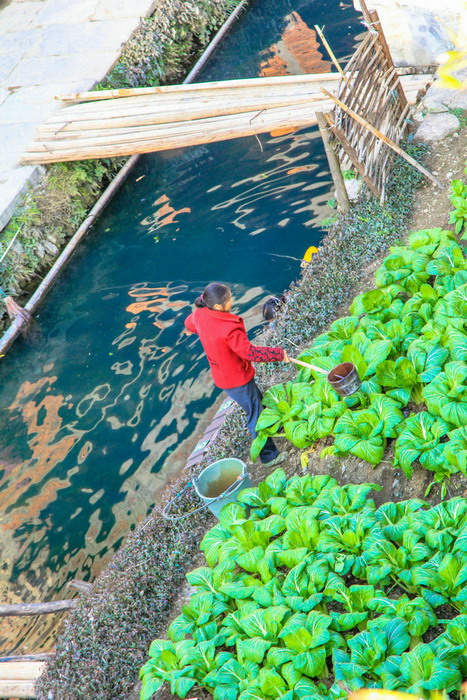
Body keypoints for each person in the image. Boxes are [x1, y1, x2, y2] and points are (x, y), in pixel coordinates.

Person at [184, 282, 290, 467]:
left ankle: (273, 424)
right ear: (218, 306)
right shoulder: (228, 328)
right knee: (254, 416)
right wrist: (278, 354)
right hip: (237, 379)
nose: (232, 300)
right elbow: (250, 353)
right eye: (229, 299)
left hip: (223, 376)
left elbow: (189, 324)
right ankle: (269, 456)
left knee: (256, 400)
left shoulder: (200, 314)